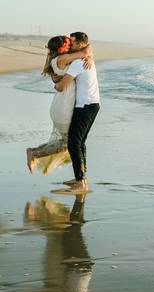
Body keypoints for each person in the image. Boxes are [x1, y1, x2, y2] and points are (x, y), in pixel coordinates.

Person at [26, 35, 92, 175]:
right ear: (61, 48)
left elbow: (84, 55)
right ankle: (34, 153)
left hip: (60, 104)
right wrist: (89, 56)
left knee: (68, 143)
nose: (69, 46)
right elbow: (86, 51)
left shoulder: (58, 60)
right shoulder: (62, 59)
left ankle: (35, 153)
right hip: (64, 107)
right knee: (70, 144)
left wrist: (89, 57)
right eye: (67, 44)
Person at [53, 32, 100, 194]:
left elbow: (62, 86)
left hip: (85, 106)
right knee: (80, 142)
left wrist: (56, 83)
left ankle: (81, 183)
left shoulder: (78, 62)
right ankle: (81, 178)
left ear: (81, 44)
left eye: (72, 42)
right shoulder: (84, 59)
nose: (70, 44)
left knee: (74, 143)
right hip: (93, 104)